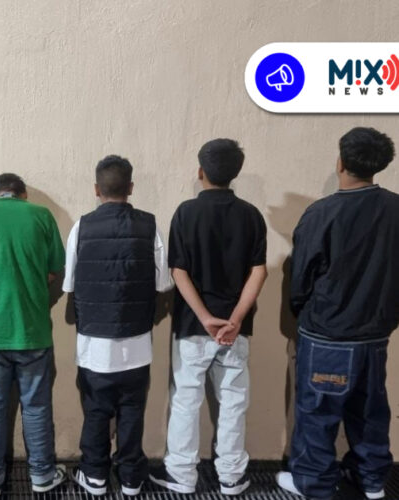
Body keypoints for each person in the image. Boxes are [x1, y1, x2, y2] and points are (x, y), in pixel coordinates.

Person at [277, 127, 399, 500]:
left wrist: (302, 313)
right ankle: (372, 480)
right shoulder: (396, 209)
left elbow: (301, 277)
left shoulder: (322, 213)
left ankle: (313, 482)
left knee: (318, 413)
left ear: (341, 161)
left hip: (328, 334)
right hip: (376, 334)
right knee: (370, 410)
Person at [150, 139, 267, 496]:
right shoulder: (251, 215)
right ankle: (231, 477)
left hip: (193, 326)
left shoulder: (186, 213)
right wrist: (235, 318)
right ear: (235, 173)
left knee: (186, 399)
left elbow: (178, 271)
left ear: (200, 171)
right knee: (234, 401)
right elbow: (259, 271)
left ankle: (182, 476)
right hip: (235, 329)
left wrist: (205, 317)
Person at [63, 155, 174, 497]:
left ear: (96, 189)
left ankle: (95, 475)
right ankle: (130, 478)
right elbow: (163, 284)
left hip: (94, 343)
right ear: (131, 187)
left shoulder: (81, 227)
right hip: (136, 343)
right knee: (132, 411)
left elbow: (69, 284)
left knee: (96, 410)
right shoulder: (150, 226)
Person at [0, 173, 67, 497]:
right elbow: (55, 269)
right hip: (33, 331)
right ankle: (42, 475)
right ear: (23, 195)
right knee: (37, 406)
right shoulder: (41, 215)